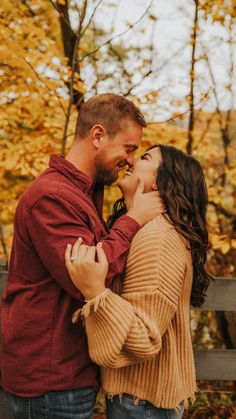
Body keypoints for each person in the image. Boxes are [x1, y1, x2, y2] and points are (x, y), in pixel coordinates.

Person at [1, 94, 164, 419]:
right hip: (51, 381)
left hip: (68, 375)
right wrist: (133, 219)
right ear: (98, 135)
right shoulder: (52, 197)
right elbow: (88, 276)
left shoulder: (82, 193)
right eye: (129, 148)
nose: (131, 160)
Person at [65, 144, 213, 419]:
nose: (131, 160)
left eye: (145, 157)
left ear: (160, 181)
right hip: (140, 397)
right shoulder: (144, 229)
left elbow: (144, 336)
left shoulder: (157, 238)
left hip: (144, 401)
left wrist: (96, 292)